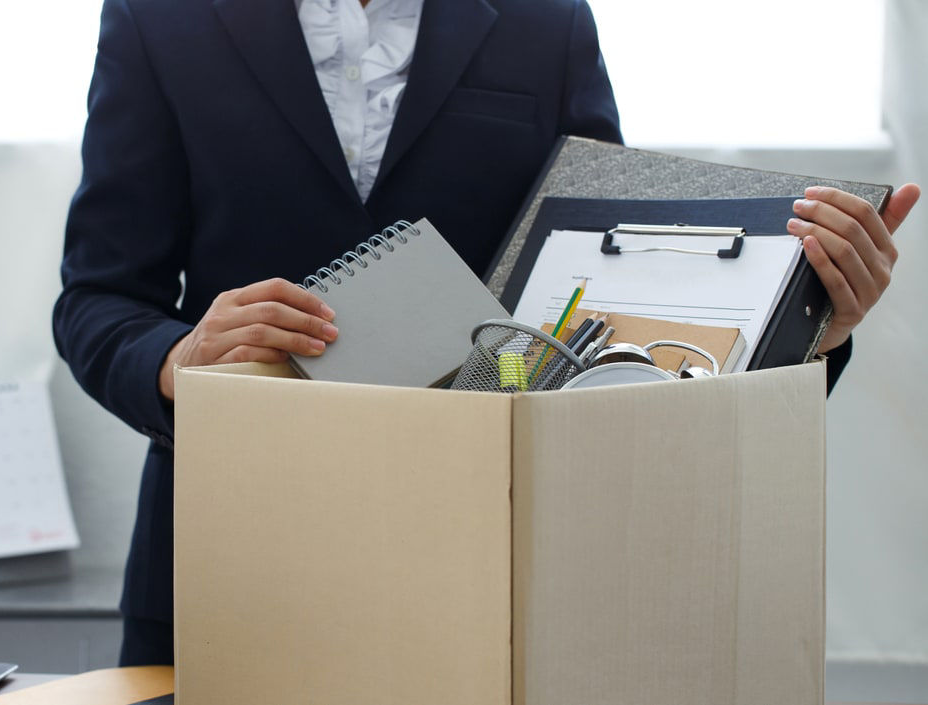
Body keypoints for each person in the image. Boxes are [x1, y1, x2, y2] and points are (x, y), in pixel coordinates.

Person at [53, 0, 919, 667]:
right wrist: (174, 358)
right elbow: (96, 296)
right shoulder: (156, 15)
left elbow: (606, 311)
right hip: (226, 549)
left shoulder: (547, 19)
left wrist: (812, 325)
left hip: (486, 561)